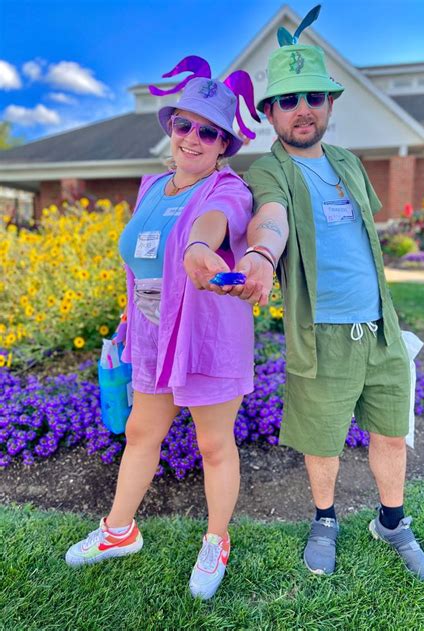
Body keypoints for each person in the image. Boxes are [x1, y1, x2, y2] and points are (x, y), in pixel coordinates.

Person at [188, 6, 424, 581]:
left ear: (329, 106)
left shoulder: (348, 161)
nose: (303, 109)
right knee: (322, 442)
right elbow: (269, 219)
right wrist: (258, 254)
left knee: (391, 435)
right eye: (289, 100)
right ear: (270, 112)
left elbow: (361, 235)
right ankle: (324, 518)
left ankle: (392, 521)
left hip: (379, 327)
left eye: (314, 98)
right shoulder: (269, 172)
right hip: (320, 332)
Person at [65, 56, 260, 600]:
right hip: (151, 333)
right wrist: (130, 314)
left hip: (205, 335)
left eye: (209, 132)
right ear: (170, 126)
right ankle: (120, 530)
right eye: (185, 125)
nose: (193, 138)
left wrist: (201, 246)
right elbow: (140, 258)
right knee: (140, 433)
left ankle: (217, 539)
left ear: (224, 144)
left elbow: (211, 224)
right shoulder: (152, 185)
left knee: (214, 444)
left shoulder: (228, 189)